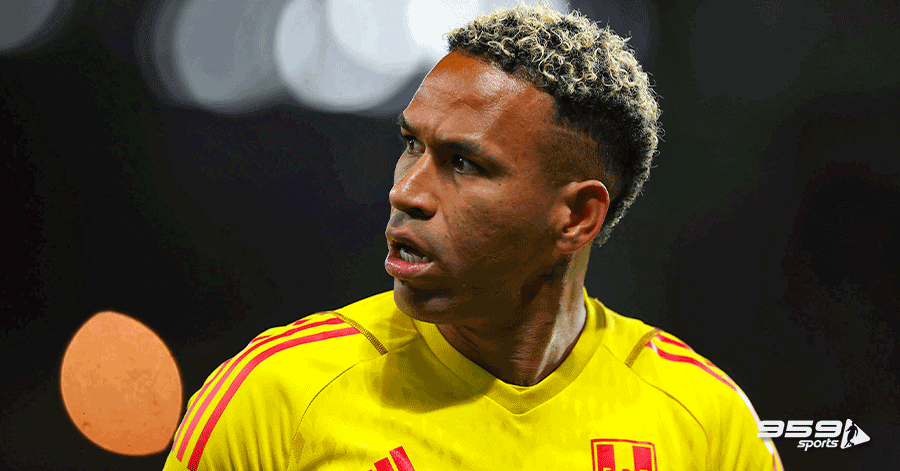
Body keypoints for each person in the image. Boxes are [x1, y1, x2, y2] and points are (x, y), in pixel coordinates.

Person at [163, 4, 783, 470]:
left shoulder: (707, 423)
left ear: (577, 217)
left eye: (464, 163)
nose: (407, 193)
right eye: (412, 145)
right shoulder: (277, 396)